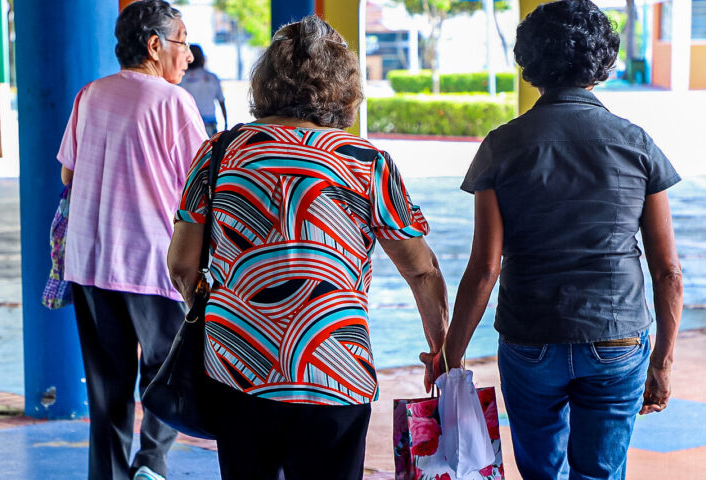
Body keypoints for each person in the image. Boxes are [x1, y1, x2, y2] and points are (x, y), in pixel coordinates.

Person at [167, 15, 448, 480]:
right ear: (344, 86)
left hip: (238, 366)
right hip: (335, 371)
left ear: (266, 81)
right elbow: (422, 271)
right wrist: (440, 348)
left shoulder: (219, 150)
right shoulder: (367, 162)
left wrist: (226, 312)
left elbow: (181, 263)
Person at [436, 1, 683, 479]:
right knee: (600, 471)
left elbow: (485, 268)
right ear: (603, 62)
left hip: (531, 338)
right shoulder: (636, 144)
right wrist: (663, 361)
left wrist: (451, 354)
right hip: (618, 337)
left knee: (540, 470)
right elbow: (667, 270)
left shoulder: (501, 145)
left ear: (530, 64)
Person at [57, 1, 207, 479]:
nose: (187, 55)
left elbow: (67, 172)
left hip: (89, 263)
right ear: (154, 44)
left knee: (107, 392)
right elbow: (201, 187)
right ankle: (151, 464)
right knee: (169, 374)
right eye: (181, 41)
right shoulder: (173, 103)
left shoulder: (90, 95)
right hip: (151, 264)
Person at [179, 44, 228, 136]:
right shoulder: (212, 77)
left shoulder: (181, 78)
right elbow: (221, 101)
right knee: (209, 150)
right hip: (209, 122)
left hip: (189, 123)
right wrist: (226, 122)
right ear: (202, 59)